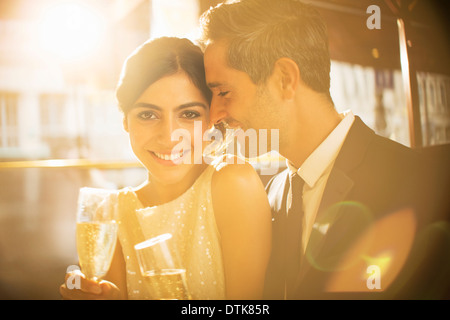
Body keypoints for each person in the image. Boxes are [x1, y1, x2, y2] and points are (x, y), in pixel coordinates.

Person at [200, 0, 439, 299]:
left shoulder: (419, 183)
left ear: (285, 78)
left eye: (223, 92)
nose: (214, 116)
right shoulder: (269, 195)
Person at [60, 37, 272, 300]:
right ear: (125, 120)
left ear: (210, 120)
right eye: (148, 115)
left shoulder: (233, 183)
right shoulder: (112, 214)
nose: (169, 136)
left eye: (189, 114)